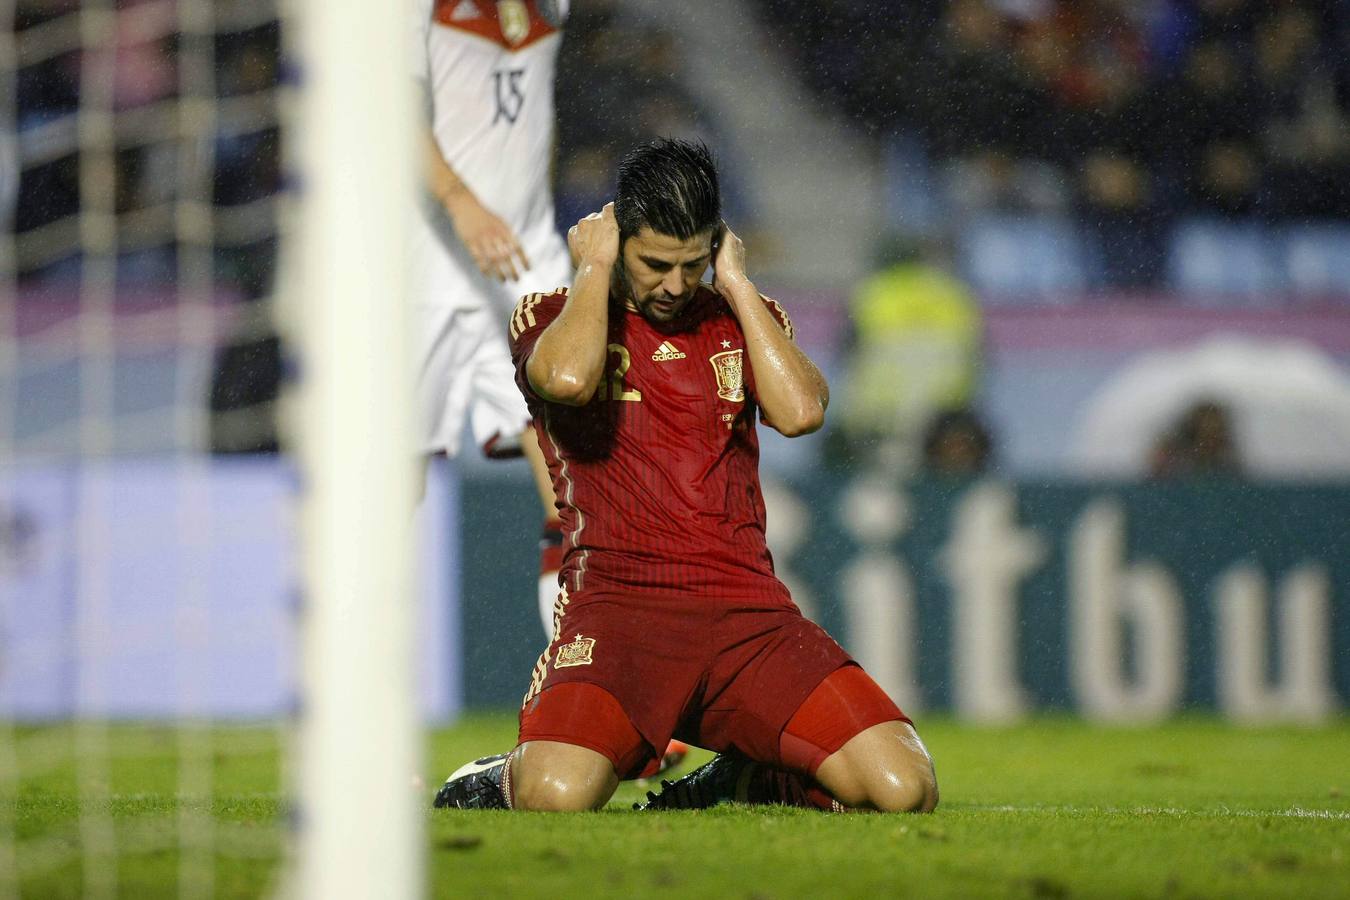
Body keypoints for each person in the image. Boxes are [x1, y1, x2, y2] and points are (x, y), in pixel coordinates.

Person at [433, 139, 938, 814]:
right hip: (618, 620)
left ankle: (740, 779)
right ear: (617, 240)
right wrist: (595, 269)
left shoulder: (738, 320)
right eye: (654, 264)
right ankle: (500, 777)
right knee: (557, 795)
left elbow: (802, 412)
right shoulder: (554, 318)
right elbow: (568, 379)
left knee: (903, 790)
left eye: (692, 264)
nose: (674, 285)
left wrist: (735, 284)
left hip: (749, 621)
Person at [409, 0, 573, 635]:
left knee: (580, 492)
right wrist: (459, 200)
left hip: (526, 263)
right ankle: (341, 698)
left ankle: (593, 697)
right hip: (423, 270)